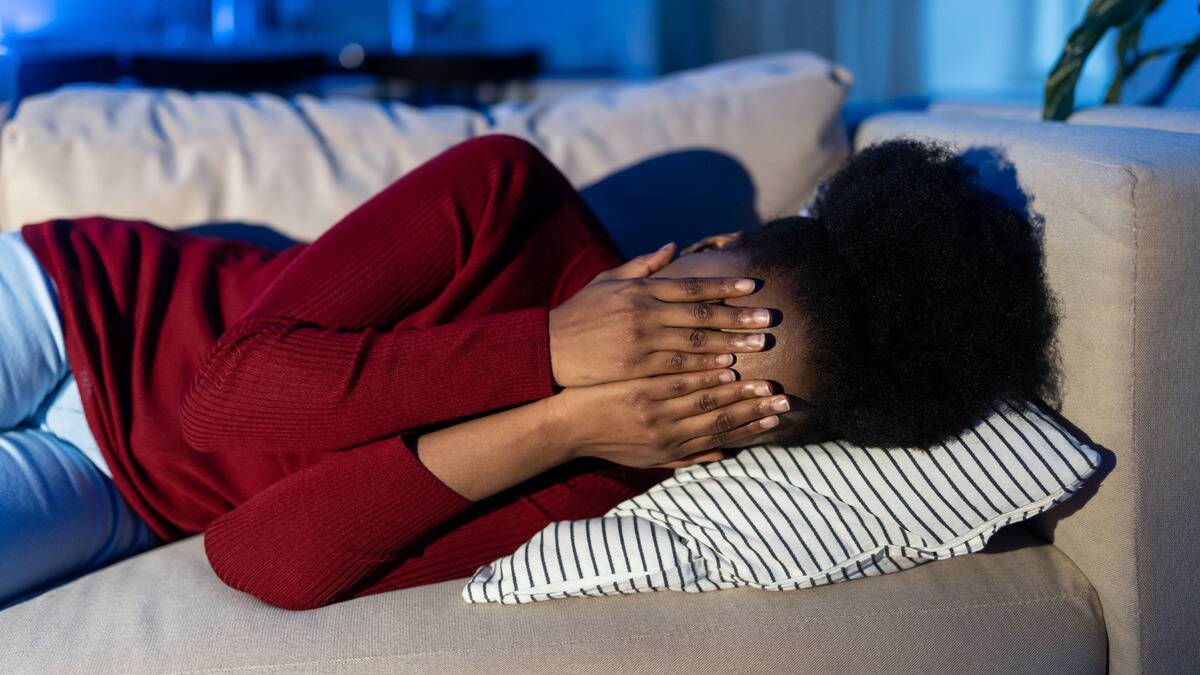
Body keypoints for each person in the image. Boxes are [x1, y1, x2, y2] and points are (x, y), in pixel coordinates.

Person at [0, 135, 1058, 611]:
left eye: (715, 388)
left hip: (123, 495)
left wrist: (558, 420)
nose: (661, 360)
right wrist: (551, 346)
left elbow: (252, 557)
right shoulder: (507, 192)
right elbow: (227, 397)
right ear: (694, 252)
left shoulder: (603, 469)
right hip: (87, 304)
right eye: (690, 313)